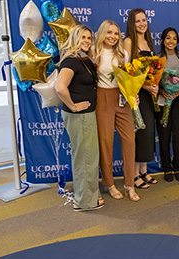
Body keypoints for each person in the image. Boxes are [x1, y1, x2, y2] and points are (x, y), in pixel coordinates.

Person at [55, 25, 103, 211]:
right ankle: (84, 201)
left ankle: (87, 194)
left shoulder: (83, 59)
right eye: (82, 37)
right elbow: (60, 87)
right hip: (80, 116)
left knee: (85, 156)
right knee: (86, 158)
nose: (86, 41)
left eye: (89, 38)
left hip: (85, 115)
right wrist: (73, 106)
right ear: (74, 38)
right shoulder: (71, 61)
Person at [94, 20, 139, 202]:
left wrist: (133, 94)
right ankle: (109, 183)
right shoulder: (93, 53)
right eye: (109, 32)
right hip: (102, 97)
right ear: (102, 33)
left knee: (129, 140)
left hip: (122, 99)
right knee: (106, 142)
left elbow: (128, 78)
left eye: (116, 33)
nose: (112, 36)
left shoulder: (123, 54)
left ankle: (130, 184)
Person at [123, 8, 158, 189]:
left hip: (149, 94)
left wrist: (154, 85)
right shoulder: (129, 41)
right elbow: (126, 71)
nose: (142, 24)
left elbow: (153, 70)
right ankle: (135, 174)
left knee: (148, 132)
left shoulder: (148, 41)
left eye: (144, 20)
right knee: (138, 131)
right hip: (136, 94)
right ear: (131, 23)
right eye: (138, 21)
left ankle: (144, 170)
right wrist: (144, 86)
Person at [156, 27, 179, 182]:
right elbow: (153, 82)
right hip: (163, 100)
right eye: (168, 38)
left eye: (174, 38)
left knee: (177, 136)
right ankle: (166, 168)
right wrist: (162, 91)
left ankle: (177, 166)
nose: (171, 41)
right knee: (164, 135)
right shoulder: (157, 58)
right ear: (162, 40)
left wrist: (178, 92)